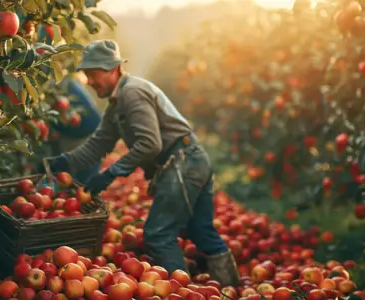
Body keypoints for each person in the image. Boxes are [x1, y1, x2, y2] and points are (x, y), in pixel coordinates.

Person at [42, 39, 240, 286]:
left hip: (181, 163)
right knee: (201, 231)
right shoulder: (117, 103)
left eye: (93, 75)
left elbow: (150, 144)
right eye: (86, 75)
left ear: (113, 69)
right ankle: (232, 290)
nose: (90, 82)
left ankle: (182, 295)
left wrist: (111, 173)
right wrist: (64, 162)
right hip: (191, 159)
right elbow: (98, 144)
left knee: (158, 235)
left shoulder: (132, 93)